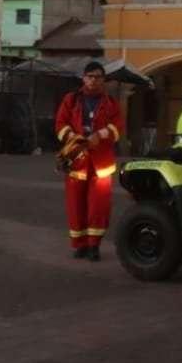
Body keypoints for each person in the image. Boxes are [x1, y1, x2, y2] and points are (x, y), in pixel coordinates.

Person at [54, 61, 124, 261]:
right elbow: (60, 123)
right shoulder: (71, 99)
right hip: (76, 160)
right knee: (75, 206)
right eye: (90, 76)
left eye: (98, 77)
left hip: (101, 163)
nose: (93, 80)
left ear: (103, 80)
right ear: (83, 78)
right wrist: (72, 138)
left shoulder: (111, 103)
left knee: (98, 207)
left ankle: (94, 247)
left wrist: (100, 135)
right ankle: (80, 245)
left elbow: (118, 126)